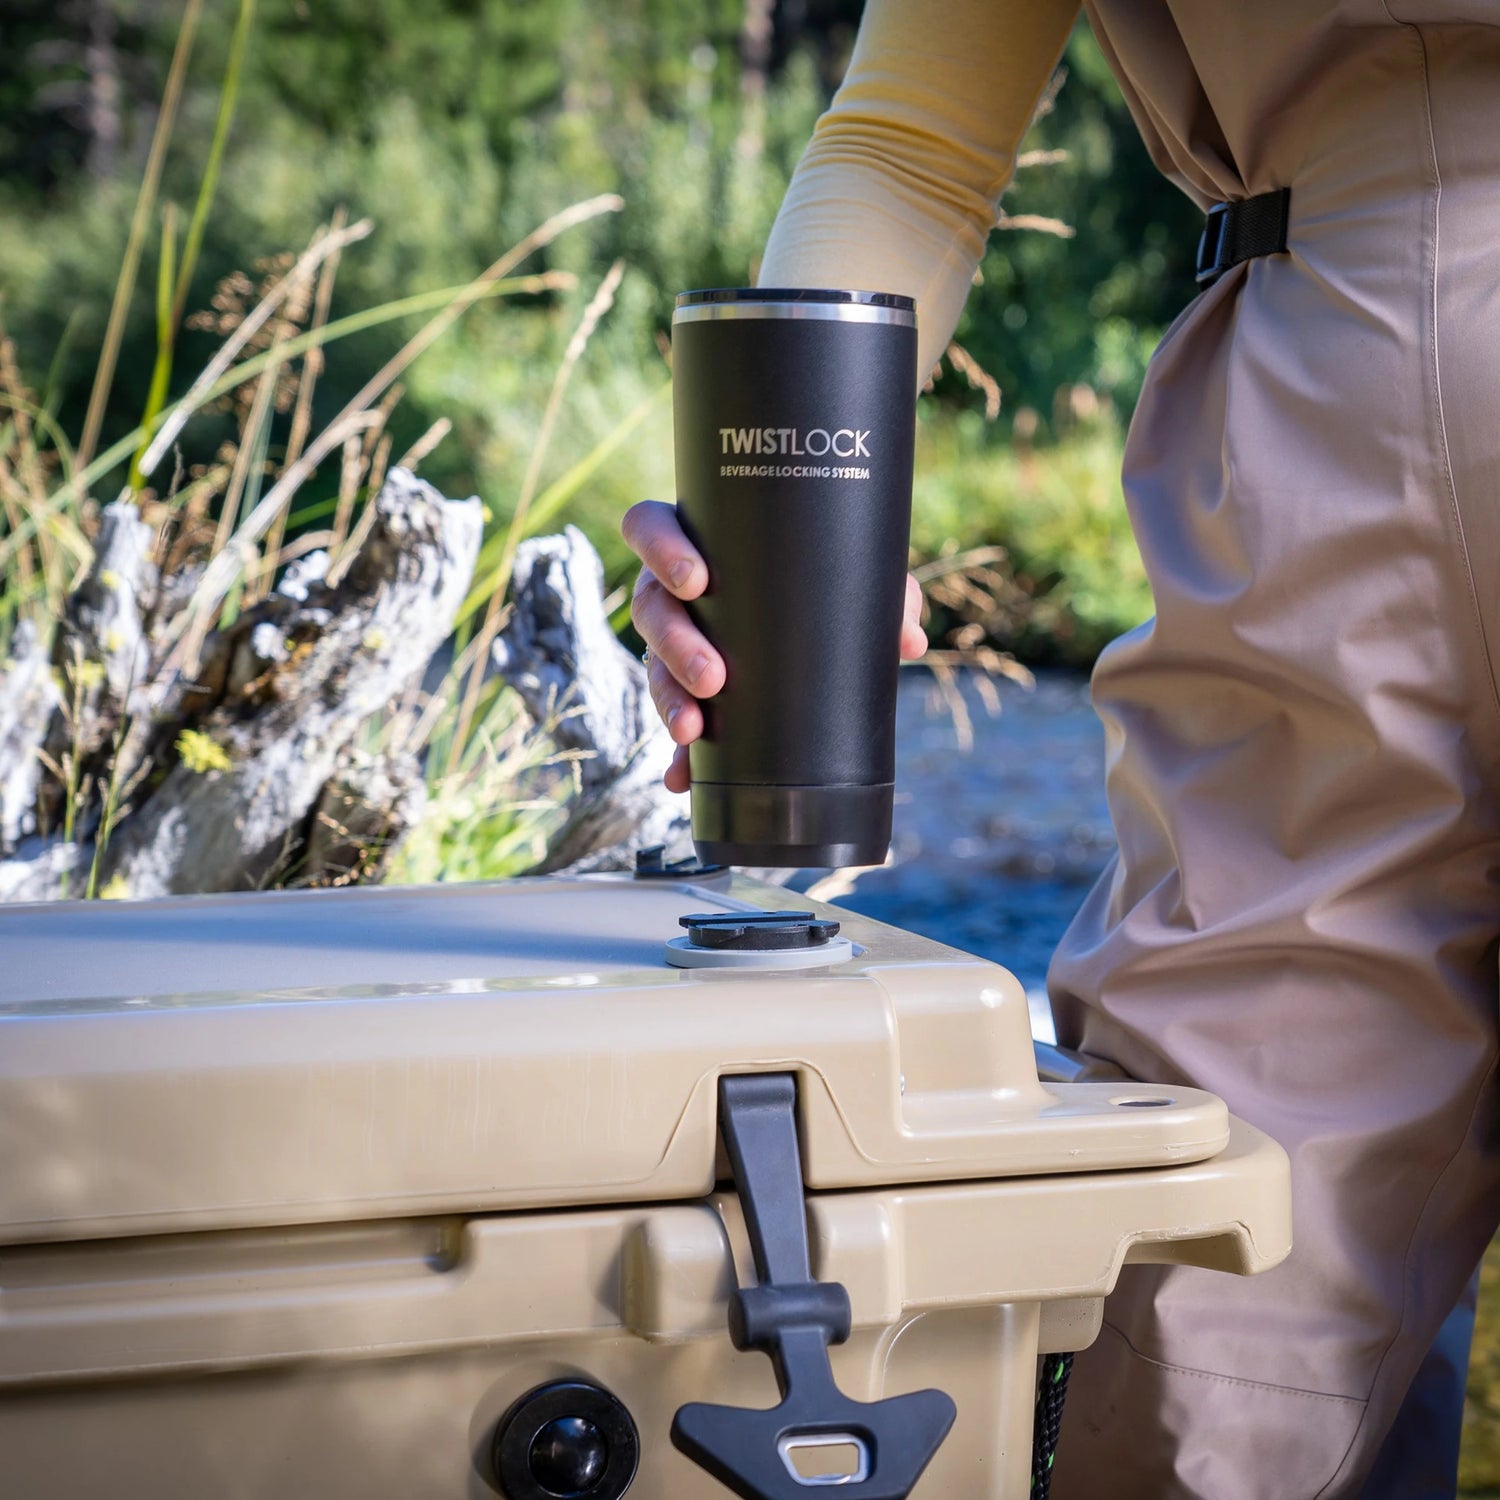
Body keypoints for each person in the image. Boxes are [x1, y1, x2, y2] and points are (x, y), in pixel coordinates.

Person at [622, 2, 1500, 1495]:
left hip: (1335, 416)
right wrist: (791, 486)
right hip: (1332, 436)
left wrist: (785, 481)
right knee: (1221, 1292)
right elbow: (917, 141)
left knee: (1234, 1305)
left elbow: (915, 141)